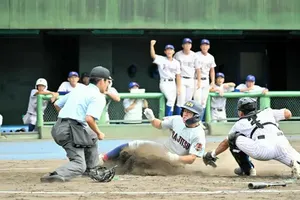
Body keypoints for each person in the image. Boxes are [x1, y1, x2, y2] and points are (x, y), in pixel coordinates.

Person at [40, 66, 112, 183]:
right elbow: (89, 119)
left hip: (59, 126)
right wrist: (99, 133)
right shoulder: (98, 96)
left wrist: (68, 117)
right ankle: (54, 175)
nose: (108, 85)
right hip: (69, 131)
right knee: (79, 165)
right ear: (102, 81)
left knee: (91, 136)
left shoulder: (79, 89)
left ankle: (91, 170)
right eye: (108, 81)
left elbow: (57, 104)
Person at [203, 97, 300, 178]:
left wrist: (213, 154)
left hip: (263, 150)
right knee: (297, 161)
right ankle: (297, 165)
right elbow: (288, 114)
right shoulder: (267, 111)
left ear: (241, 112)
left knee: (232, 138)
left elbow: (226, 143)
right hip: (282, 144)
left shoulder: (239, 124)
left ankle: (247, 169)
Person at [99, 100, 206, 166]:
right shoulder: (177, 119)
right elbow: (159, 125)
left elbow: (191, 159)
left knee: (142, 162)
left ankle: (117, 166)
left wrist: (174, 158)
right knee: (135, 145)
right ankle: (105, 159)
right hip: (163, 150)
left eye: (189, 113)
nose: (185, 114)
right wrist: (152, 118)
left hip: (176, 163)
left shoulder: (198, 135)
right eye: (184, 111)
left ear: (196, 116)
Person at [150, 40, 181, 116]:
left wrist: (179, 87)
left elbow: (178, 76)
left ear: (173, 51)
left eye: (170, 50)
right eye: (167, 50)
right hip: (164, 82)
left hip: (173, 83)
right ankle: (167, 118)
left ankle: (169, 119)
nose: (169, 51)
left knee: (172, 102)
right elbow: (153, 55)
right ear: (165, 52)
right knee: (170, 100)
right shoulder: (161, 59)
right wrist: (151, 46)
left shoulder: (176, 62)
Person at [173, 38, 201, 115]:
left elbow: (198, 69)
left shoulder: (194, 55)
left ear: (191, 45)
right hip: (181, 78)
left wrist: (199, 81)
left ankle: (186, 118)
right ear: (182, 45)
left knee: (188, 101)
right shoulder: (178, 55)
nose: (187, 45)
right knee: (180, 100)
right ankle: (178, 118)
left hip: (191, 79)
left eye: (189, 44)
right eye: (186, 44)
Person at [194, 39, 217, 120]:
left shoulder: (211, 57)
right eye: (203, 45)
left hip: (206, 80)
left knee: (203, 102)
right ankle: (195, 121)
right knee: (197, 101)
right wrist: (199, 81)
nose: (205, 46)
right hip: (197, 80)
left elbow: (212, 70)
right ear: (200, 46)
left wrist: (213, 82)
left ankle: (200, 121)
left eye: (206, 45)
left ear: (209, 46)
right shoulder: (196, 55)